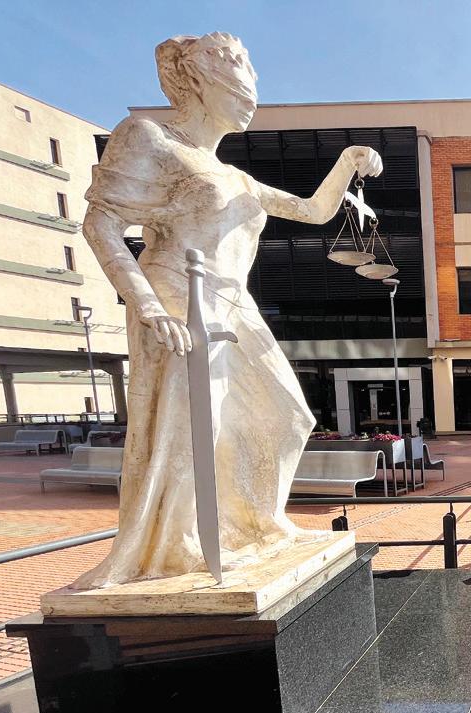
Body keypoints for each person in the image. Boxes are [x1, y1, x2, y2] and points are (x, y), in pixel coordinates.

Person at [72, 32, 382, 587]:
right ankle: (180, 545)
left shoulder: (235, 176)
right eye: (240, 92)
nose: (250, 104)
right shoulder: (147, 137)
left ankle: (258, 525)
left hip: (234, 301)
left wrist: (347, 161)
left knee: (288, 415)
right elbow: (101, 225)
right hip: (179, 291)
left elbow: (312, 211)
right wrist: (147, 307)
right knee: (195, 421)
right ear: (198, 82)